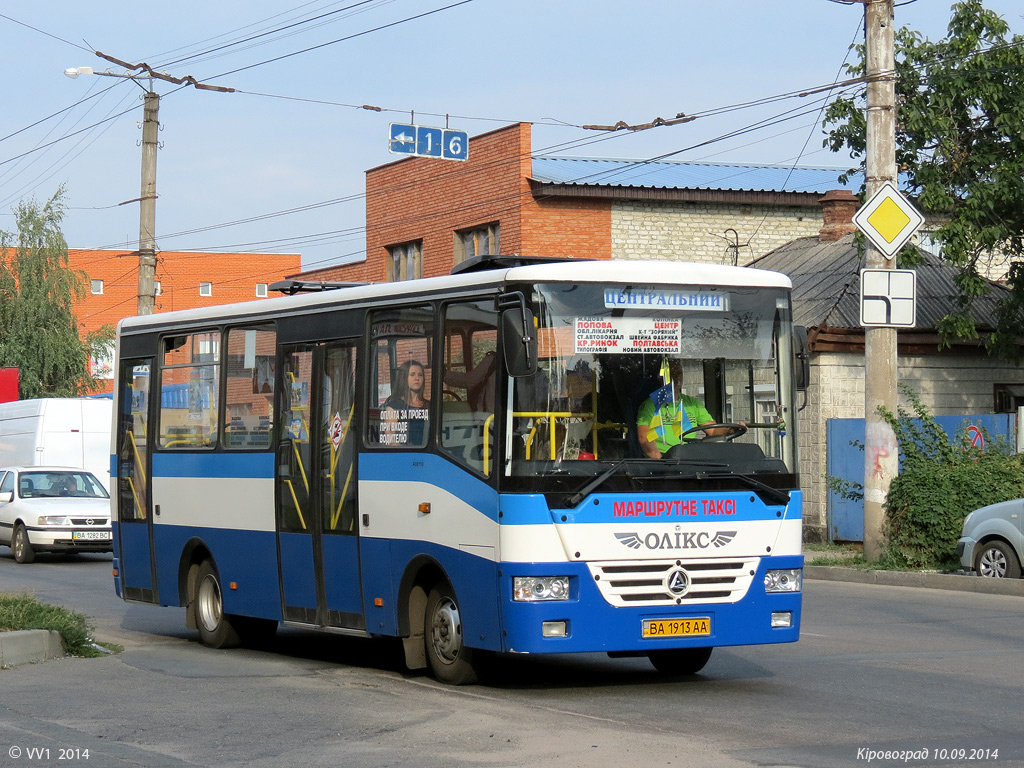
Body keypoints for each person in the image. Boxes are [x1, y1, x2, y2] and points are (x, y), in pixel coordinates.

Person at [636, 359, 728, 459]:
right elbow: (644, 437)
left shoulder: (692, 404)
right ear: (661, 378)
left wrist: (729, 429)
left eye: (679, 373)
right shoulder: (651, 405)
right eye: (671, 373)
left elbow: (713, 431)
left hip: (689, 458)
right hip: (663, 460)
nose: (676, 377)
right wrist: (660, 461)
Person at [382, 359, 429, 446]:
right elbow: (390, 439)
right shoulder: (394, 407)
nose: (417, 378)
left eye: (420, 375)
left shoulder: (429, 406)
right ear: (404, 378)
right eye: (412, 375)